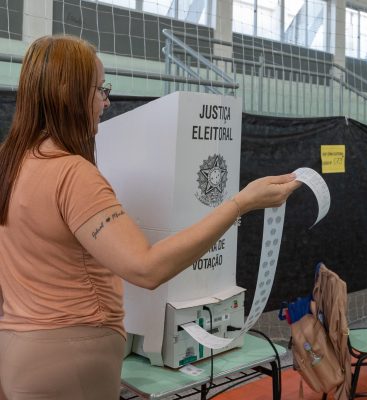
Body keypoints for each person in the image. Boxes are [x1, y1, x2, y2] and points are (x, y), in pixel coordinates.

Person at [0, 35, 301, 400]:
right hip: (73, 355)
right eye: (100, 89)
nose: (105, 101)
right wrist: (240, 204)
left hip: (18, 350)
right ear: (68, 93)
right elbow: (146, 268)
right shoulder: (72, 174)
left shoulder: (11, 163)